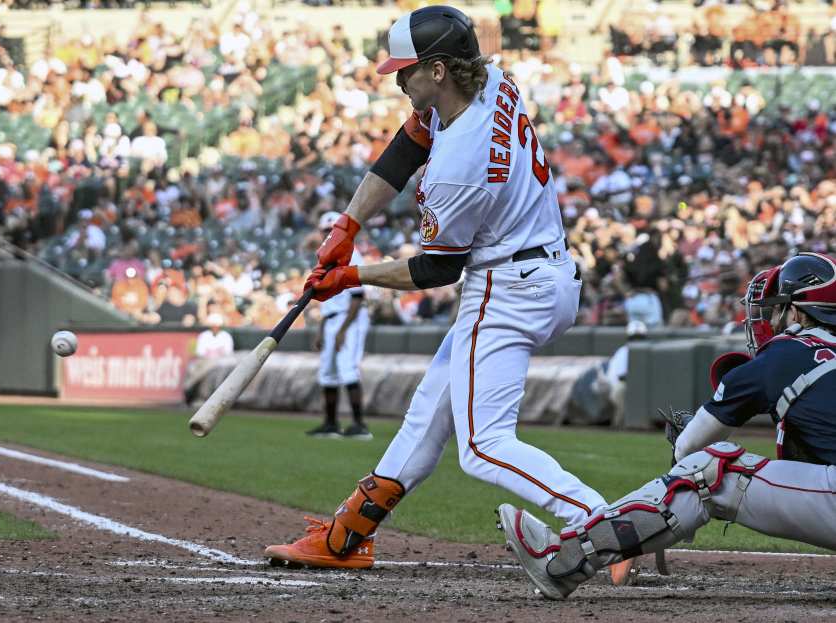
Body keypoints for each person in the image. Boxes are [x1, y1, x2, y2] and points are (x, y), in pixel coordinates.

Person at [265, 6, 630, 583]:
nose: (396, 79)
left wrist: (351, 276)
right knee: (428, 412)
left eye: (405, 70)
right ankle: (349, 534)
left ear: (437, 70)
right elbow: (407, 146)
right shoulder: (490, 82)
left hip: (507, 287)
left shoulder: (459, 162)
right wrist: (348, 225)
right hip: (540, 270)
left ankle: (605, 521)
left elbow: (437, 270)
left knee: (483, 446)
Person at [497, 252, 836, 600]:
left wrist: (675, 479)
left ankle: (562, 561)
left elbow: (691, 450)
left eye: (774, 309)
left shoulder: (786, 352)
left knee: (709, 469)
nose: (769, 320)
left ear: (795, 311)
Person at [306, 211, 372, 440]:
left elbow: (357, 296)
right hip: (332, 318)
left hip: (349, 319)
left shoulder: (352, 254)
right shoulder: (325, 258)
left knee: (347, 369)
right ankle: (330, 424)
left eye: (330, 230)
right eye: (324, 230)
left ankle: (359, 425)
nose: (327, 234)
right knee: (327, 373)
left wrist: (342, 330)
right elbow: (326, 301)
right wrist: (321, 330)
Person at [606, 320, 647, 425]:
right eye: (634, 338)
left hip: (635, 386)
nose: (637, 341)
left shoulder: (647, 351)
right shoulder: (623, 351)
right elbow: (622, 377)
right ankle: (619, 426)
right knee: (621, 390)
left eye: (640, 338)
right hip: (618, 387)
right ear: (629, 338)